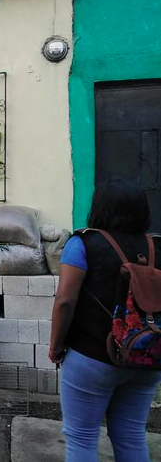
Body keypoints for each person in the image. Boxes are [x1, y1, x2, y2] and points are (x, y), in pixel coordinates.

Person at [49, 183, 161, 462]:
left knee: (82, 439)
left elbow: (65, 300)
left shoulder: (83, 243)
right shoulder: (157, 246)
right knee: (132, 437)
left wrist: (56, 346)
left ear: (99, 208)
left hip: (92, 357)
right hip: (146, 356)